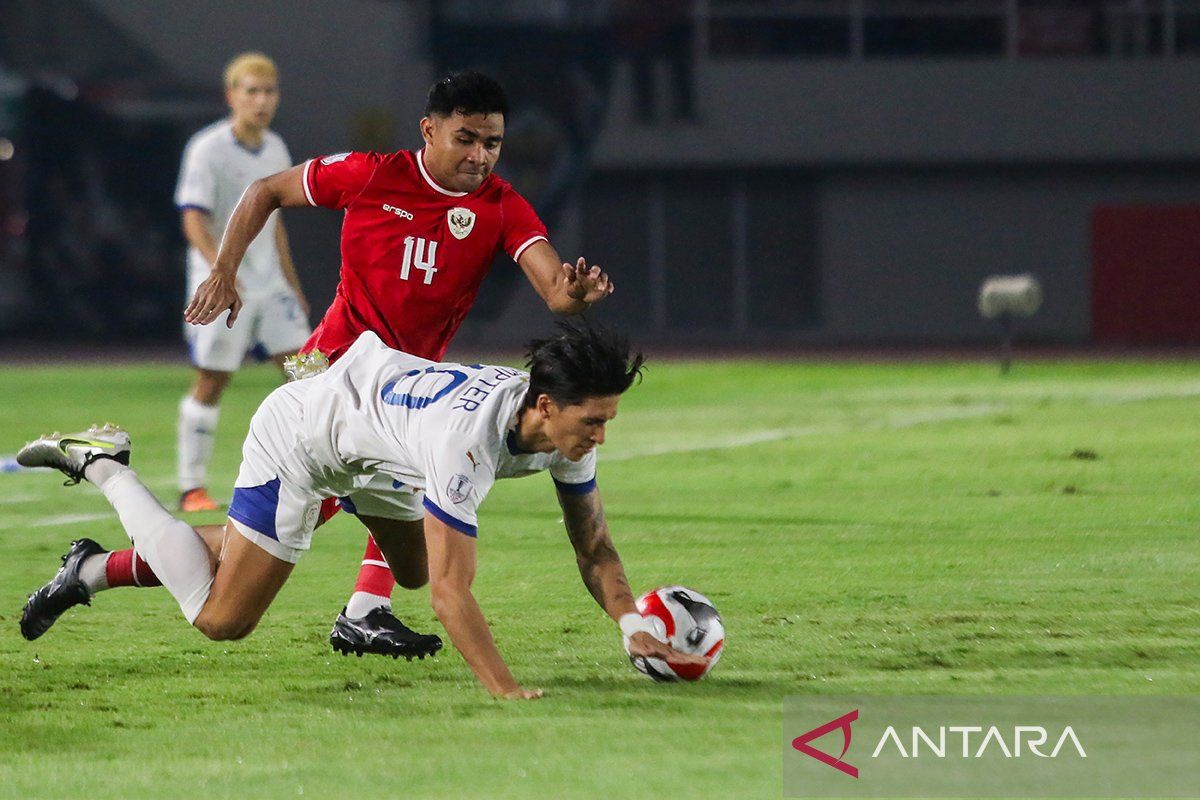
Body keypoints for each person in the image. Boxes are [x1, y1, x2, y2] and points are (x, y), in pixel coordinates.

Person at [16, 322, 706, 699]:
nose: (601, 437)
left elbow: (594, 549)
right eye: (594, 421)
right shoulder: (465, 446)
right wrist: (505, 689)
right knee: (222, 618)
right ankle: (101, 461)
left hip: (377, 450)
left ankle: (91, 568)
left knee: (402, 569)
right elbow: (450, 592)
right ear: (546, 405)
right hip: (305, 437)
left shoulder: (561, 432)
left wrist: (631, 624)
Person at [181, 69, 614, 660]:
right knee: (257, 546)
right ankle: (109, 564)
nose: (480, 155)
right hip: (330, 379)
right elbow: (265, 191)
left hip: (408, 393)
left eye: (492, 143)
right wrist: (225, 271)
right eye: (465, 138)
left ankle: (364, 611)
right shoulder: (374, 174)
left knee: (407, 503)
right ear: (429, 130)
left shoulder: (501, 206)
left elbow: (554, 291)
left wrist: (576, 295)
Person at [174, 52, 310, 513]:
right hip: (221, 285)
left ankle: (317, 475)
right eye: (251, 90)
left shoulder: (276, 149)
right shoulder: (206, 148)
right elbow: (194, 220)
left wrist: (292, 284)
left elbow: (276, 225)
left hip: (270, 287)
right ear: (232, 95)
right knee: (212, 380)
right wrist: (222, 274)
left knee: (307, 376)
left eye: (269, 91)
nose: (261, 100)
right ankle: (191, 487)